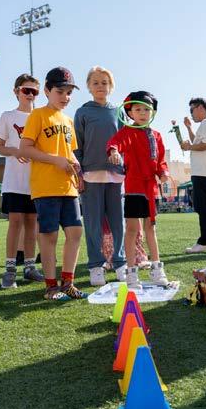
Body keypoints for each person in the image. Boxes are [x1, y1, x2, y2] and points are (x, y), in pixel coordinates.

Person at [19, 67, 88, 301]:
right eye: (60, 91)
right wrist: (55, 160)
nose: (65, 97)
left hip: (68, 187)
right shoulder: (37, 115)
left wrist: (77, 170)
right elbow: (25, 149)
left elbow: (70, 152)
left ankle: (68, 283)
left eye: (69, 93)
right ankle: (51, 287)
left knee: (75, 232)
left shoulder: (68, 120)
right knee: (49, 236)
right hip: (46, 187)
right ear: (47, 91)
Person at [106, 91, 170, 289]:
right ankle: (131, 272)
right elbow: (115, 143)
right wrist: (114, 151)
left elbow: (160, 161)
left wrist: (164, 173)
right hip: (134, 187)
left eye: (146, 109)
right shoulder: (127, 132)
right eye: (138, 109)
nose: (142, 113)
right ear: (130, 112)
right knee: (132, 229)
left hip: (152, 189)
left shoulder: (157, 135)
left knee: (151, 228)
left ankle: (157, 269)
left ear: (152, 113)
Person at [73, 66, 127, 286]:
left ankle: (120, 263)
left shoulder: (119, 112)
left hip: (115, 176)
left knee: (118, 223)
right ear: (88, 86)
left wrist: (121, 158)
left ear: (111, 86)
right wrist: (79, 174)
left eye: (104, 82)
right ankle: (96, 266)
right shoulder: (82, 112)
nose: (100, 86)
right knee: (93, 224)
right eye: (95, 82)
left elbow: (125, 142)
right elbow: (77, 146)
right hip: (90, 175)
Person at [0, 73, 45, 288]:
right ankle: (10, 269)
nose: (30, 95)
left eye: (34, 91)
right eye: (26, 90)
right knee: (15, 222)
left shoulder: (42, 116)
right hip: (14, 181)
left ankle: (30, 267)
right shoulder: (8, 116)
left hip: (36, 181)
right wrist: (16, 151)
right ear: (16, 91)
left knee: (32, 223)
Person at [180, 97, 206, 253]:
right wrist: (189, 129)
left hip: (204, 173)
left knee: (203, 208)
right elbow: (198, 142)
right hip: (205, 172)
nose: (191, 114)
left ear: (200, 107)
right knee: (203, 207)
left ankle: (204, 242)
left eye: (192, 110)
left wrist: (189, 147)